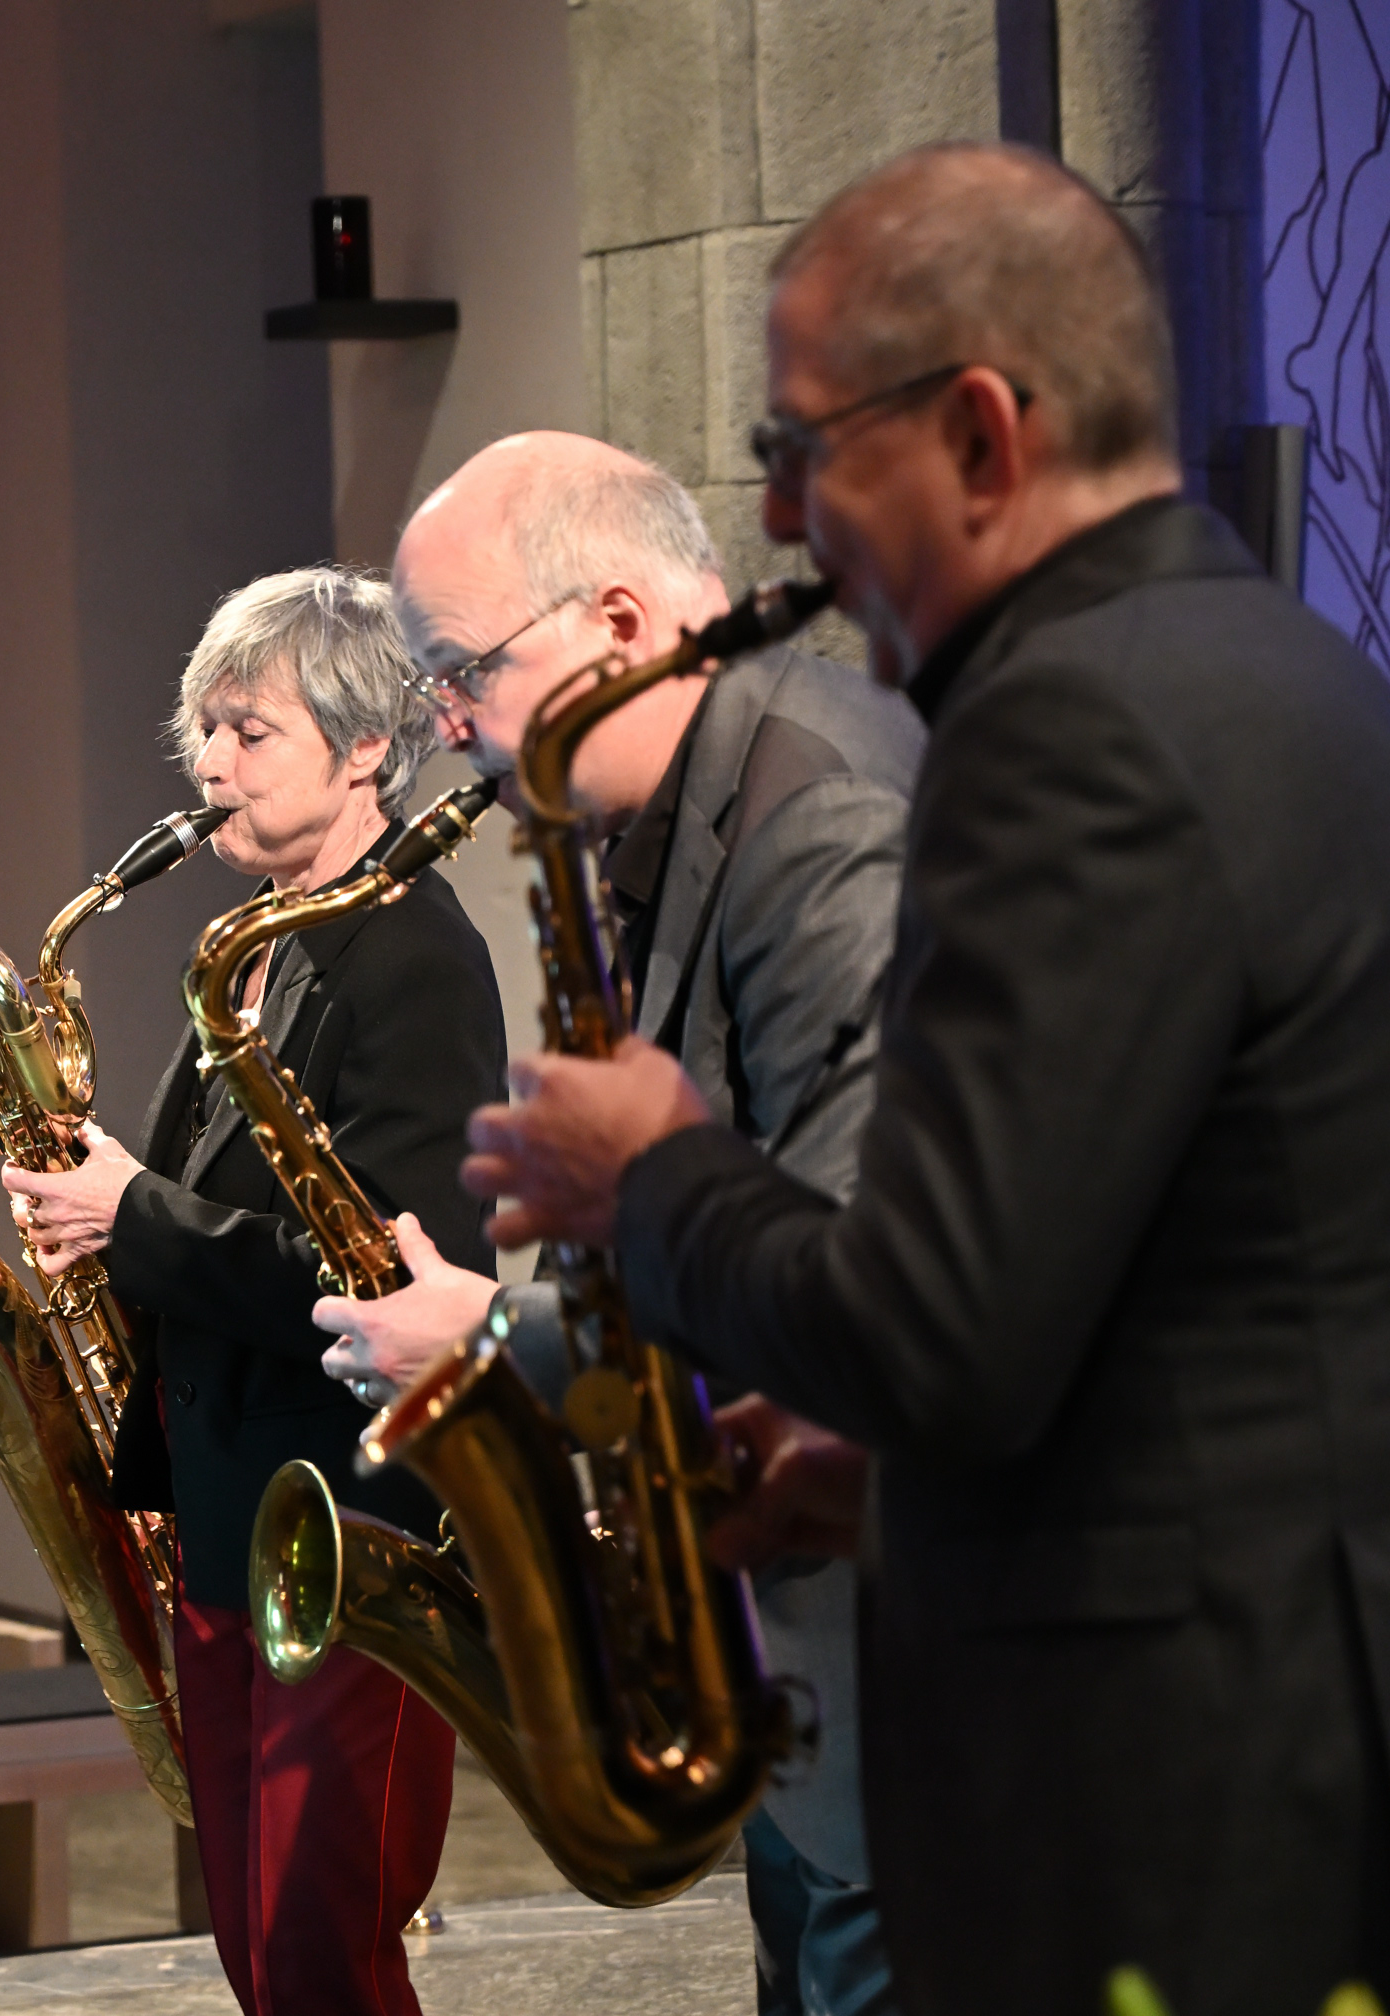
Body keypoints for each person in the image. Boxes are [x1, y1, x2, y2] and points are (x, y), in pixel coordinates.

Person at [462, 141, 1390, 2016]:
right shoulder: (1262, 672)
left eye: (808, 444)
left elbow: (939, 1335)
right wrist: (873, 1487)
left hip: (1223, 1829)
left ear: (980, 433)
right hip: (1381, 1770)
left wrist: (651, 1171)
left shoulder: (1071, 731)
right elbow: (1213, 1336)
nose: (783, 513)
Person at [315, 431, 919, 2016]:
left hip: (913, 1695)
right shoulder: (680, 819)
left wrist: (497, 1331)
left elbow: (852, 1286)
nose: (445, 728)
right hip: (805, 1672)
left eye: (463, 673)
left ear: (625, 625)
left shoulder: (820, 821)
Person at [1, 567, 507, 2016]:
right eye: (200, 733)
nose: (209, 764)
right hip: (231, 1518)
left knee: (322, 1952)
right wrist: (104, 1232)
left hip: (352, 1533)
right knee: (258, 1951)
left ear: (364, 750)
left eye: (247, 729)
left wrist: (133, 1218)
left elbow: (399, 1286)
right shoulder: (264, 946)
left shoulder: (412, 955)